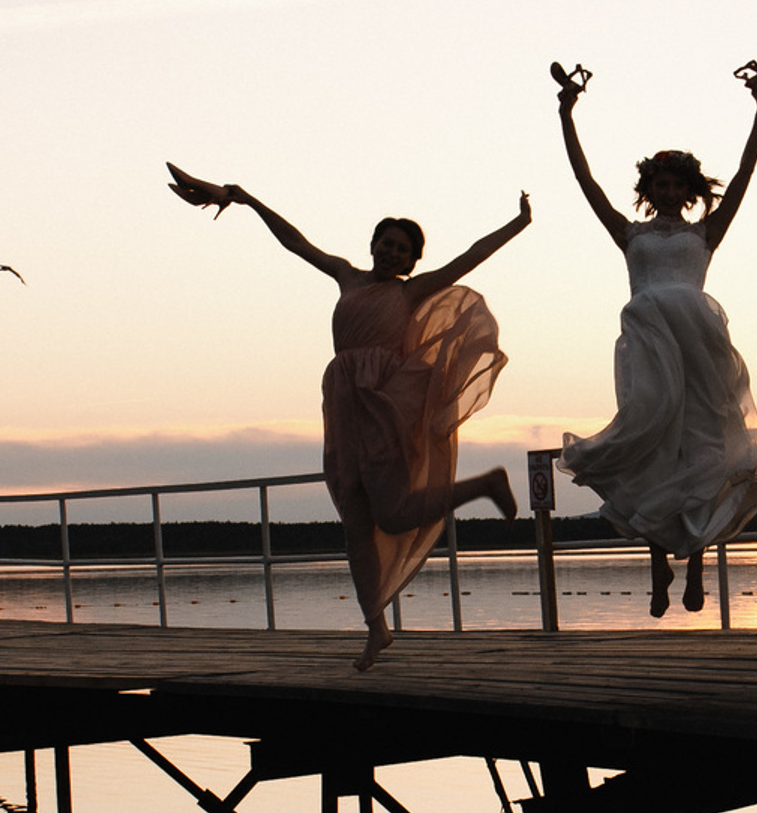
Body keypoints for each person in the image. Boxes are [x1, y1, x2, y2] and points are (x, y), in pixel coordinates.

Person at [166, 166, 526, 669]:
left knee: (394, 513)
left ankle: (484, 485)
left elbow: (470, 258)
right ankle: (375, 627)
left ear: (413, 260)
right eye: (387, 243)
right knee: (354, 520)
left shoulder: (409, 292)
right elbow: (295, 241)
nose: (393, 253)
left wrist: (519, 223)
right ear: (373, 244)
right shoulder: (346, 275)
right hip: (342, 403)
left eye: (403, 249)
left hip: (384, 405)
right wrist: (245, 198)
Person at [551, 55, 757, 616]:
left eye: (679, 181)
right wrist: (567, 115)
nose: (670, 188)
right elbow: (585, 182)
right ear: (649, 187)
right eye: (661, 181)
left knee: (703, 453)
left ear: (691, 187)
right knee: (654, 454)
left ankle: (697, 570)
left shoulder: (708, 230)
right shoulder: (629, 233)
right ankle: (658, 573)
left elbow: (747, 174)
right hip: (651, 348)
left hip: (701, 349)